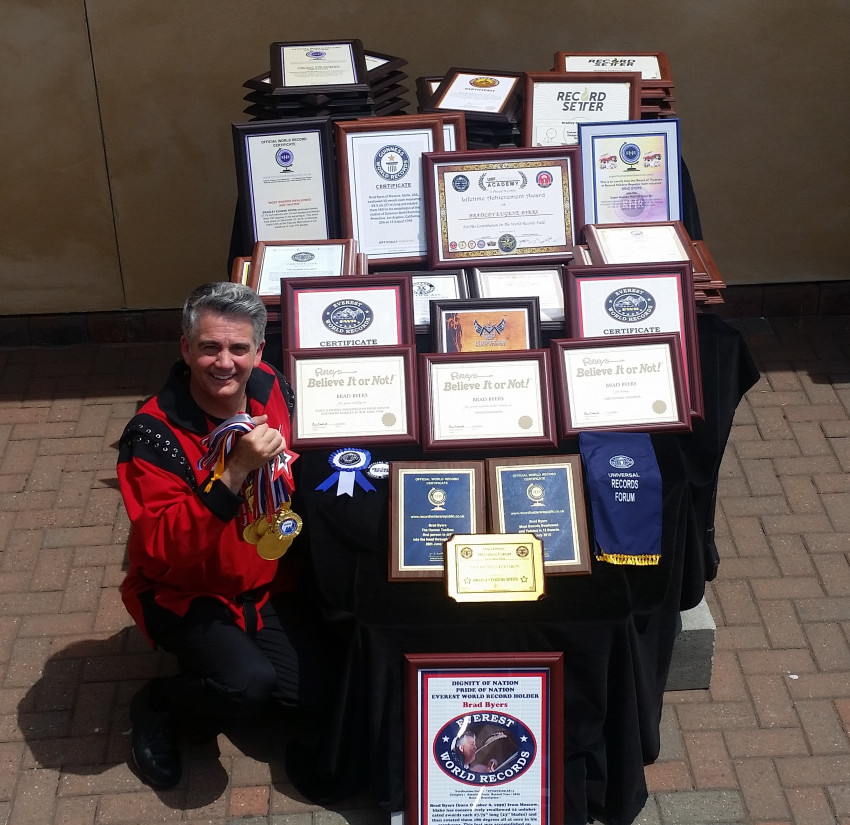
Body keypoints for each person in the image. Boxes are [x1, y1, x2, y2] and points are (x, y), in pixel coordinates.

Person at [117, 281, 330, 790]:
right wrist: (233, 472)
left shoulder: (273, 386)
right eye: (210, 346)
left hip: (265, 581)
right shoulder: (152, 433)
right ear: (186, 348)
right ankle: (159, 704)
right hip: (186, 592)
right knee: (247, 687)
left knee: (309, 695)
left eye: (238, 348)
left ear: (259, 351)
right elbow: (166, 545)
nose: (224, 362)